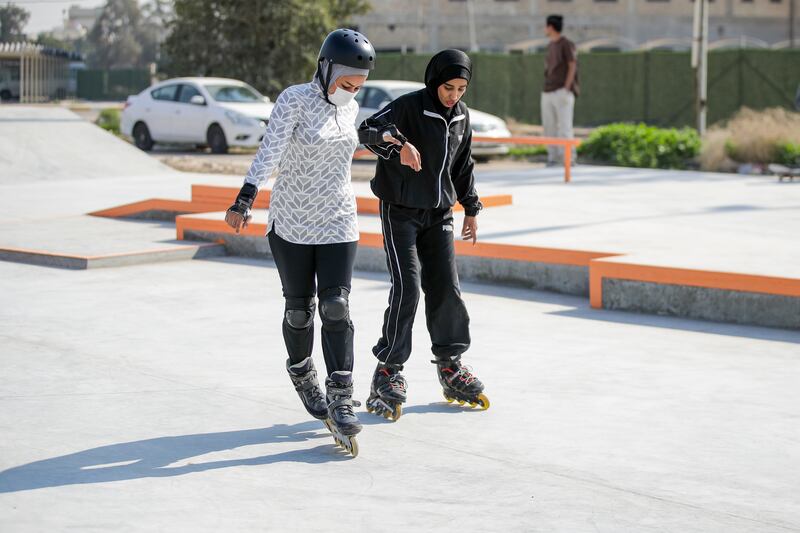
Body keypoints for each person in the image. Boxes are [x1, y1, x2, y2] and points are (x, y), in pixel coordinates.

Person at [224, 29, 375, 455]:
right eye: (347, 82)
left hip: (338, 220)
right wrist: (246, 196)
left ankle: (343, 397)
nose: (351, 92)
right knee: (299, 310)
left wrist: (387, 145)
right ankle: (302, 372)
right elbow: (270, 149)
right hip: (291, 222)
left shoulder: (353, 108)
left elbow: (348, 148)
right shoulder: (294, 98)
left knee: (337, 305)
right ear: (327, 68)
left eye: (358, 85)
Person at [357, 49, 490, 421]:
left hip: (440, 213)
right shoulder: (408, 107)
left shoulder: (462, 117)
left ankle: (450, 364)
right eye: (449, 87)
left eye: (461, 88)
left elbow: (462, 164)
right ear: (434, 81)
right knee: (408, 286)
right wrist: (398, 144)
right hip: (400, 210)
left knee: (447, 286)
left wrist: (472, 208)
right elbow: (366, 130)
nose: (454, 95)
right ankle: (388, 370)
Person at [542, 14, 579, 166]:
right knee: (549, 126)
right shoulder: (550, 45)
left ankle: (568, 159)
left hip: (562, 91)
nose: (544, 29)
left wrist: (566, 88)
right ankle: (553, 158)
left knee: (565, 127)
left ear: (550, 27)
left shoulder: (566, 44)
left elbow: (572, 65)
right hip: (548, 91)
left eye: (545, 26)